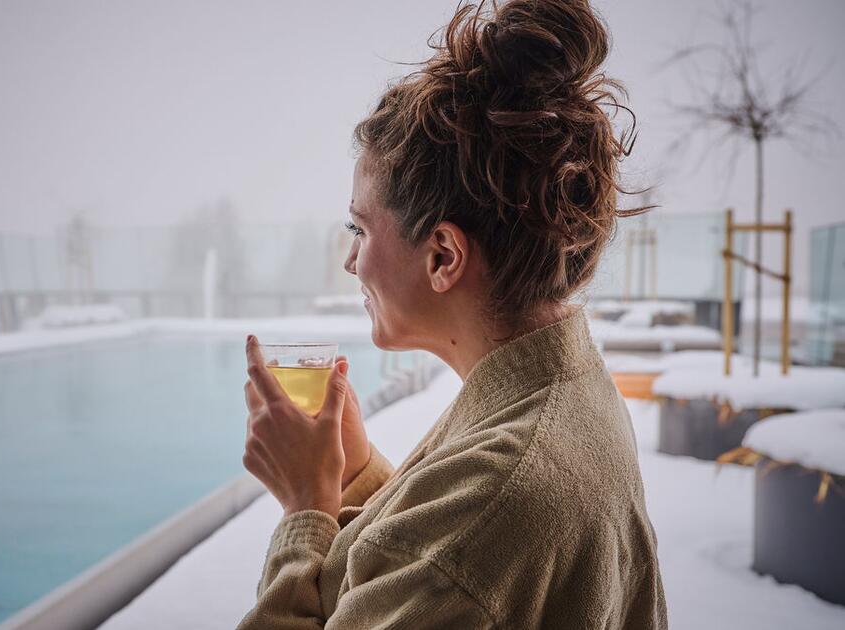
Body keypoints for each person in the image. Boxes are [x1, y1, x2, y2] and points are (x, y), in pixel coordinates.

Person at [239, 0, 667, 627]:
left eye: (359, 228)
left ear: (442, 255)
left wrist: (306, 507)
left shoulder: (500, 491)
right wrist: (356, 475)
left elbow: (455, 557)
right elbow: (435, 558)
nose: (351, 261)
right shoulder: (559, 392)